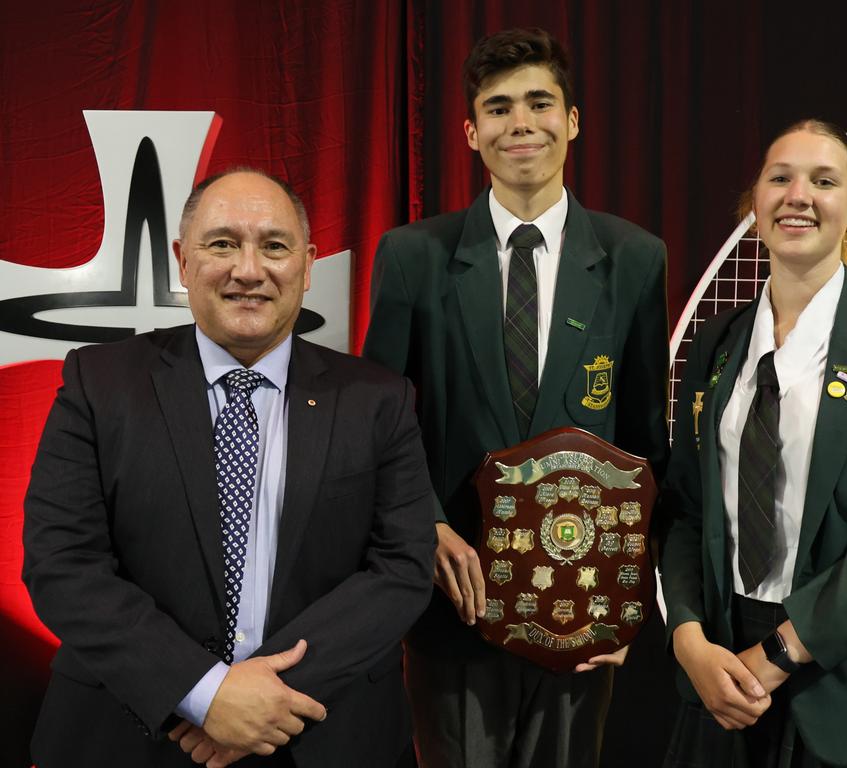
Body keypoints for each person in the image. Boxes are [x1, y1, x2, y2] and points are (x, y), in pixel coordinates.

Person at [22, 169, 437, 768]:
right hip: (132, 732)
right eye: (222, 244)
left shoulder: (379, 398)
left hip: (319, 733)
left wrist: (261, 700)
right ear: (182, 262)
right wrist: (203, 693)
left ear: (307, 264)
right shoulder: (98, 383)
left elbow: (401, 566)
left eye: (274, 245)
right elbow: (62, 563)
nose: (249, 270)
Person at [362, 27, 670, 768]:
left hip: (580, 606)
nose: (520, 123)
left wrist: (623, 596)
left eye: (539, 103)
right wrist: (422, 526)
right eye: (498, 109)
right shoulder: (413, 256)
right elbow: (374, 422)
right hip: (453, 603)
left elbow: (643, 440)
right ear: (472, 132)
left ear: (572, 121)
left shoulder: (634, 259)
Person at [659, 119, 847, 768]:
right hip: (721, 678)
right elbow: (686, 512)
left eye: (823, 181)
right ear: (754, 203)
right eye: (780, 178)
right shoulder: (716, 343)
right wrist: (688, 639)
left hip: (845, 676)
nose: (798, 195)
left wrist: (781, 653)